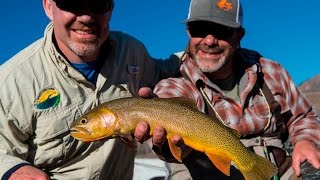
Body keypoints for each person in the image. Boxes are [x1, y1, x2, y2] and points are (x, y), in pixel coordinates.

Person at [135, 0, 320, 179]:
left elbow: (302, 117)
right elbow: (165, 141)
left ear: (239, 35)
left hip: (282, 171)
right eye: (199, 29)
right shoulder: (175, 84)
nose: (209, 40)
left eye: (222, 30)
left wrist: (306, 141)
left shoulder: (271, 71)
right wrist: (161, 129)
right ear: (188, 32)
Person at [0, 0, 180, 179]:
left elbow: (166, 69)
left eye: (98, 4)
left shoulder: (132, 51)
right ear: (48, 6)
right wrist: (12, 170)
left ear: (110, 10)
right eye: (72, 4)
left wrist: (198, 46)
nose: (86, 17)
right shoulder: (12, 81)